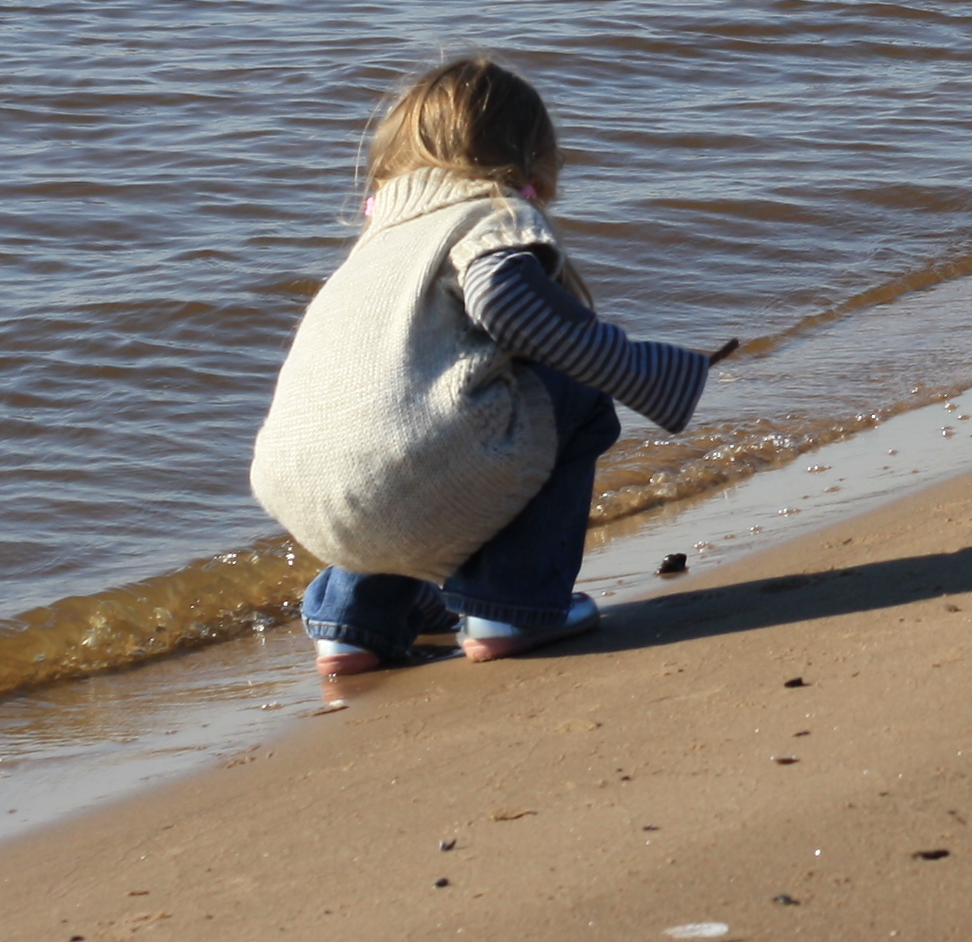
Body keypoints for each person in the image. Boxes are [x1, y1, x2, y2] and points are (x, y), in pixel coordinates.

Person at [250, 58, 729, 676]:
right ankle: (514, 606)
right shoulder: (488, 215)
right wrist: (644, 371)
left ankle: (355, 624)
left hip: (301, 492)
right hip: (401, 466)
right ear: (530, 161)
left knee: (394, 427)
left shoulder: (375, 250)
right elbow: (507, 301)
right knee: (572, 393)